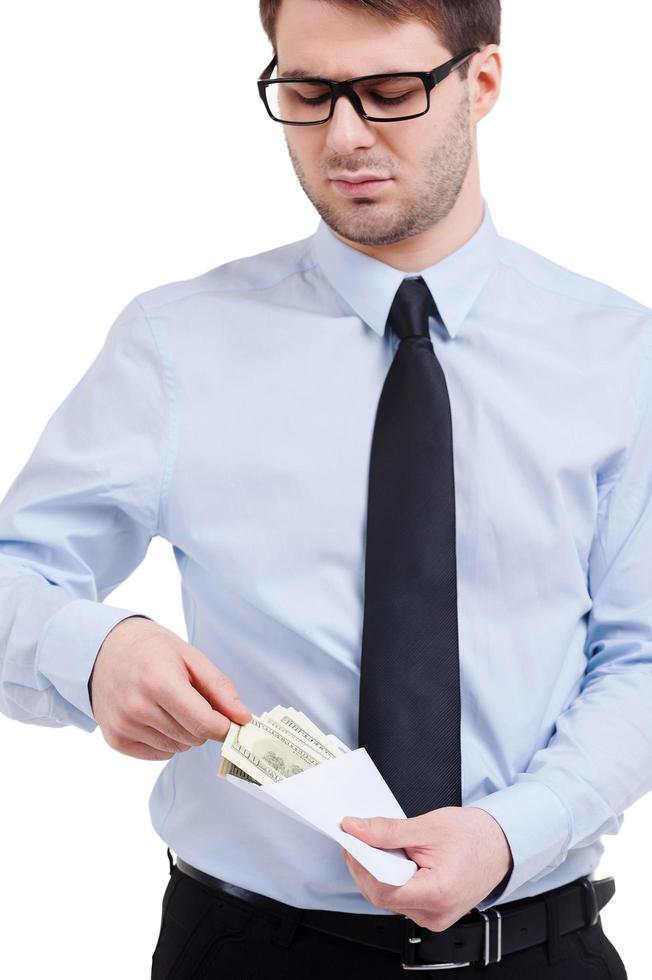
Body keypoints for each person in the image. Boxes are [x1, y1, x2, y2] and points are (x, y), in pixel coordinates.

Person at [0, 0, 646, 975]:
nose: (343, 137)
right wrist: (94, 648)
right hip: (247, 950)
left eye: (388, 92)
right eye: (306, 93)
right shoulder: (176, 344)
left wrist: (510, 832)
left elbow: (640, 658)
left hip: (536, 945)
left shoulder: (618, 354)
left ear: (481, 84)